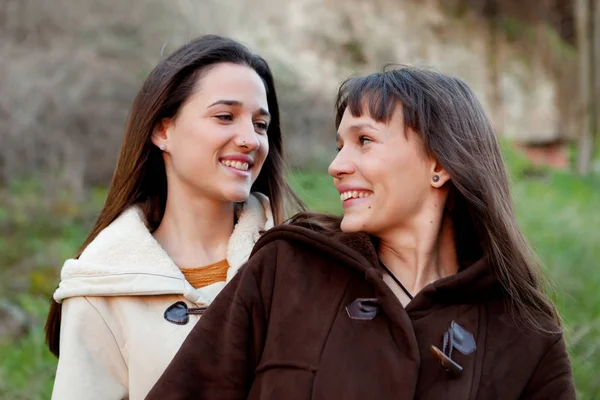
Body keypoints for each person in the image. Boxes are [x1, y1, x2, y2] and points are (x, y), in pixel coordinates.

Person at [146, 66, 575, 400]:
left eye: (364, 141)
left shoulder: (525, 331)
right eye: (340, 146)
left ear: (440, 165)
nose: (337, 166)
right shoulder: (287, 271)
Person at [44, 35, 304, 400]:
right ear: (163, 130)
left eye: (261, 125)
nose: (250, 139)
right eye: (225, 116)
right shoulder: (101, 287)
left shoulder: (302, 267)